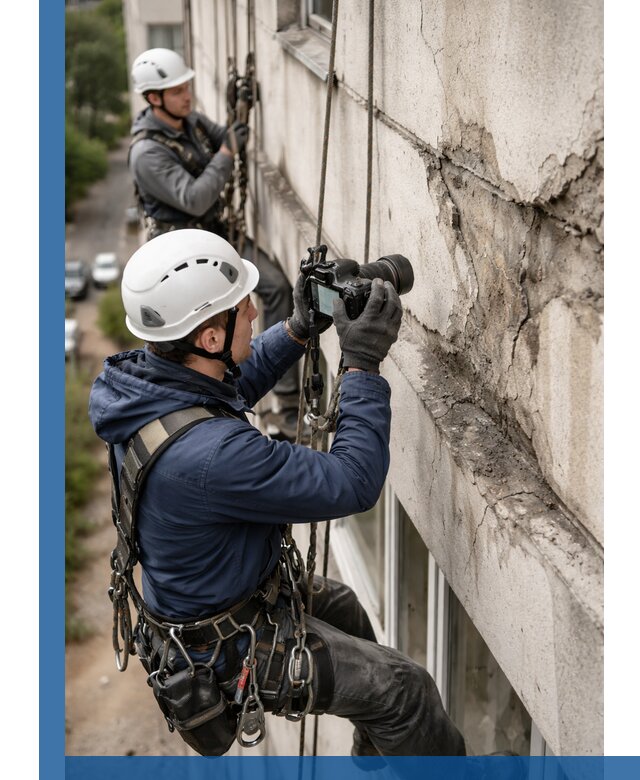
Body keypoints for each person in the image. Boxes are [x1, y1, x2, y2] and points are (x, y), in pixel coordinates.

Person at [89, 229, 466, 757]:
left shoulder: (144, 386)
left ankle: (380, 759)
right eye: (239, 306)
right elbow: (354, 482)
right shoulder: (213, 458)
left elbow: (228, 389)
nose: (251, 308)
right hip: (226, 648)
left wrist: (296, 329)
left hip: (216, 601)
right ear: (210, 339)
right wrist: (361, 364)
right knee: (406, 690)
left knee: (348, 607)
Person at [128, 47, 301, 439]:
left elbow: (224, 137)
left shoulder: (189, 122)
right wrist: (226, 152)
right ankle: (278, 403)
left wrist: (237, 121)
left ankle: (277, 394)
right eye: (177, 91)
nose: (187, 96)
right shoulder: (147, 153)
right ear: (154, 98)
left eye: (187, 87)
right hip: (183, 254)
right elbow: (195, 197)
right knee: (239, 309)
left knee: (272, 285)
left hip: (210, 237)